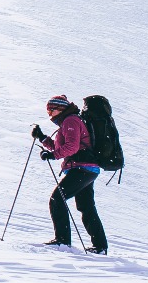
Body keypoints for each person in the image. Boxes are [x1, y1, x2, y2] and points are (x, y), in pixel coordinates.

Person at [33, 95, 108, 254]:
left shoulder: (71, 121)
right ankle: (100, 247)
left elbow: (71, 148)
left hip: (81, 168)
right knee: (86, 207)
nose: (49, 114)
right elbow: (60, 146)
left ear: (60, 108)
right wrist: (42, 138)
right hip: (87, 169)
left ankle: (62, 240)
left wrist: (52, 155)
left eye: (51, 110)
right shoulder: (68, 121)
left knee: (57, 199)